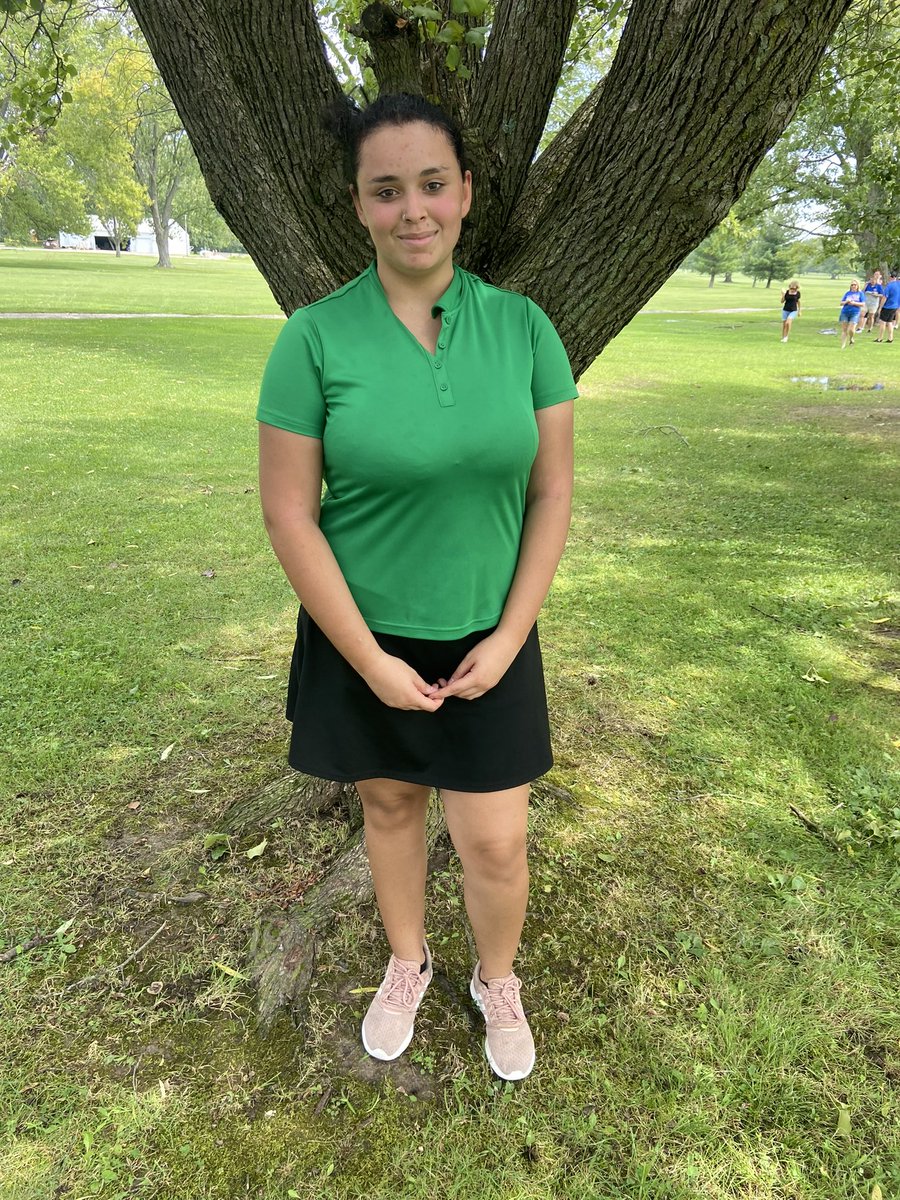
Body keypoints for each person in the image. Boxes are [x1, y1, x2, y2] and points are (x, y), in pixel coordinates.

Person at [255, 93, 577, 1082]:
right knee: (390, 810)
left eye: (432, 184)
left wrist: (514, 632)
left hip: (492, 634)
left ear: (466, 192)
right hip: (365, 638)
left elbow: (553, 488)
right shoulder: (312, 339)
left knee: (496, 843)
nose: (413, 210)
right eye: (386, 190)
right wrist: (371, 662)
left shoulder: (526, 331)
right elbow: (289, 513)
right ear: (358, 205)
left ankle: (496, 979)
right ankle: (408, 959)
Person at [838, 279, 866, 348]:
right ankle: (843, 345)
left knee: (851, 329)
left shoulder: (860, 294)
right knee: (844, 329)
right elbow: (841, 303)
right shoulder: (847, 293)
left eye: (855, 285)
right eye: (852, 285)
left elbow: (863, 304)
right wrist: (846, 301)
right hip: (845, 312)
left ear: (857, 286)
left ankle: (851, 338)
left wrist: (854, 303)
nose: (853, 286)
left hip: (855, 312)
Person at [874, 270, 900, 343]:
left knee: (882, 322)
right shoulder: (898, 284)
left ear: (890, 276)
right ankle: (890, 338)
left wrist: (880, 307)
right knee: (890, 322)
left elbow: (884, 297)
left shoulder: (889, 285)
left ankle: (880, 338)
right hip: (895, 306)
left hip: (887, 306)